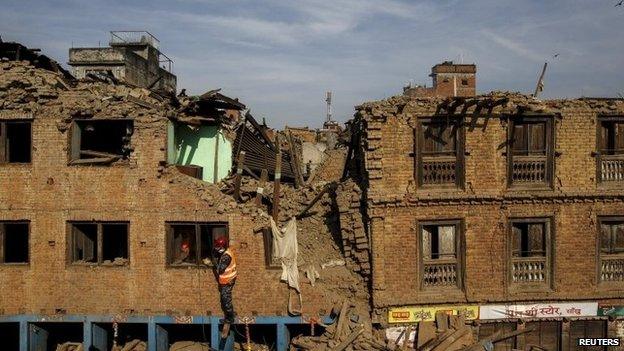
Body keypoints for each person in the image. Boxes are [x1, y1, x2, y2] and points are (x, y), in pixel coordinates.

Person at [204, 236, 237, 324]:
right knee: (226, 298)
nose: (217, 248)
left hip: (227, 280)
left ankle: (230, 318)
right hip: (230, 278)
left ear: (223, 247)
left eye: (218, 246)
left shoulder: (226, 257)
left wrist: (211, 264)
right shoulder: (227, 252)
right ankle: (231, 313)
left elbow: (219, 270)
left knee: (225, 298)